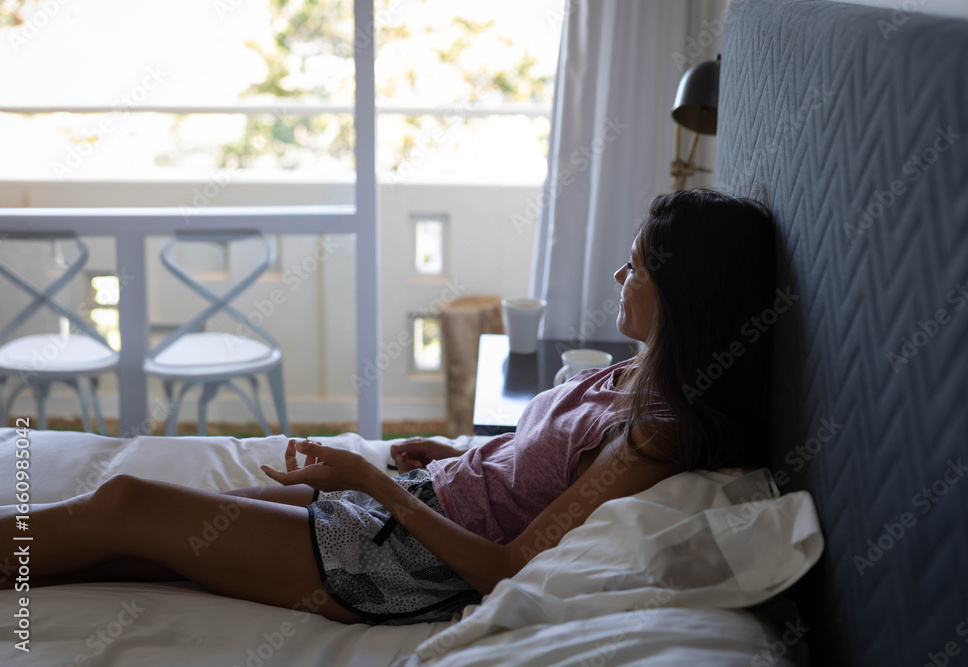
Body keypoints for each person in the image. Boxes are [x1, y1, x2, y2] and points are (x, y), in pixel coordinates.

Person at [0, 189, 776, 626]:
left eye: (635, 266)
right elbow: (533, 473)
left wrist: (368, 480)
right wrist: (455, 458)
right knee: (139, 541)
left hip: (394, 562)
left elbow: (507, 568)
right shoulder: (634, 372)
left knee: (128, 502)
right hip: (413, 503)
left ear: (683, 293)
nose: (617, 276)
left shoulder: (655, 436)